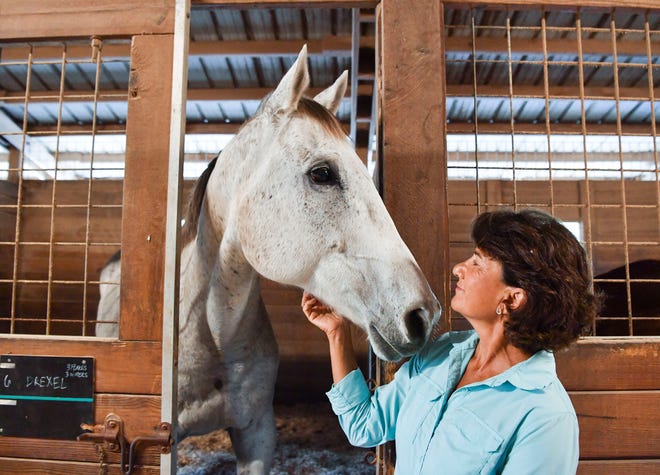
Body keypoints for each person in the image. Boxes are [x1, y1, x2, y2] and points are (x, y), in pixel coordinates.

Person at [301, 209, 599, 474]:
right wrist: (336, 332)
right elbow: (364, 425)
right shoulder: (442, 353)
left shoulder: (545, 418)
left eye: (478, 263)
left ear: (513, 298)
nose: (459, 268)